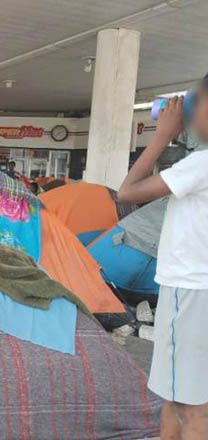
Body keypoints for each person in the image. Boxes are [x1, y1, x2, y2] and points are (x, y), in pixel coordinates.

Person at [118, 75, 208, 440]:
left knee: (191, 404)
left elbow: (127, 192)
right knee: (179, 393)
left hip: (189, 289)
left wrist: (160, 137)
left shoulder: (200, 165)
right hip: (198, 288)